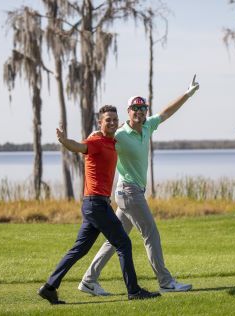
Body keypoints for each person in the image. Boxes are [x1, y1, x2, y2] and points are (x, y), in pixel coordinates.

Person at [78, 76, 200, 296]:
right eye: (135, 109)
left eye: (142, 108)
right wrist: (93, 134)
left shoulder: (148, 126)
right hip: (129, 191)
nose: (139, 112)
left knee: (116, 240)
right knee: (151, 233)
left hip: (130, 193)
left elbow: (166, 113)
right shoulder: (120, 134)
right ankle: (165, 281)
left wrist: (188, 94)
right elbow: (100, 137)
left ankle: (88, 279)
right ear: (128, 111)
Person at [38, 105, 161, 305]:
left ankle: (49, 287)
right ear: (99, 122)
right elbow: (79, 147)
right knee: (123, 243)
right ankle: (134, 290)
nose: (112, 122)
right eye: (107, 120)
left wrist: (134, 119)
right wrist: (64, 141)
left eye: (114, 119)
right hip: (96, 204)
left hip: (94, 204)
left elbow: (124, 125)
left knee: (80, 249)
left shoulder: (113, 140)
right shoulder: (95, 141)